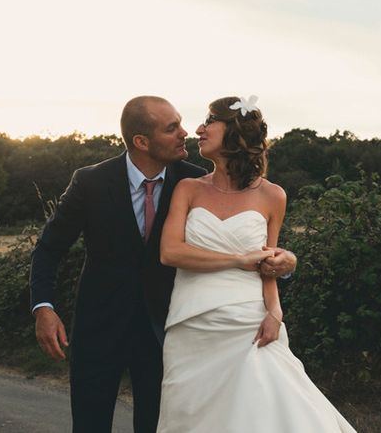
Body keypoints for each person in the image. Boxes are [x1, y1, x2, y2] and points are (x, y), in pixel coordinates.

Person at [29, 96, 298, 433]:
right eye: (172, 129)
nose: (185, 133)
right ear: (142, 141)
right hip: (99, 325)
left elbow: (244, 244)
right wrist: (44, 307)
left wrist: (285, 266)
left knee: (160, 426)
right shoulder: (91, 182)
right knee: (89, 424)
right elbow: (49, 248)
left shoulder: (198, 182)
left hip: (168, 330)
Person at [157, 95, 357, 432]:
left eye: (210, 121)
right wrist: (237, 258)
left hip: (249, 322)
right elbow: (170, 252)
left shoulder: (272, 195)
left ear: (233, 132)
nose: (199, 129)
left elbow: (270, 264)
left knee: (261, 414)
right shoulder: (187, 188)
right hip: (191, 323)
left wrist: (275, 314)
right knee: (191, 417)